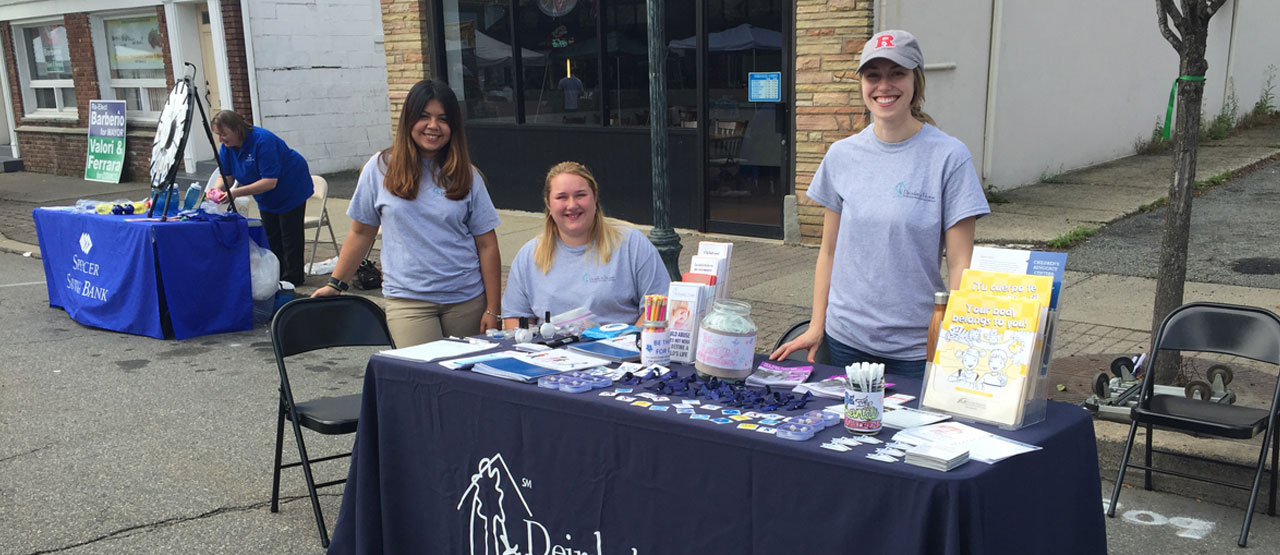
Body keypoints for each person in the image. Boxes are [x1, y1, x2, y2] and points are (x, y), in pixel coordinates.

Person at [770, 30, 990, 379]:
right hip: (845, 340)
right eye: (873, 76)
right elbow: (828, 252)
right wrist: (816, 325)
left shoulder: (949, 157)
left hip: (917, 347)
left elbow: (961, 263)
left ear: (916, 81)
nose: (884, 86)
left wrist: (957, 335)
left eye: (897, 73)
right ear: (862, 84)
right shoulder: (842, 155)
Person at [312, 79, 502, 347]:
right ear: (409, 120)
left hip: (466, 300)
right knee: (421, 372)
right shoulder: (379, 169)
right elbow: (361, 232)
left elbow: (487, 244)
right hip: (409, 301)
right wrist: (336, 284)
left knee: (467, 373)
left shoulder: (467, 175)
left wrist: (493, 309)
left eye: (443, 119)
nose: (433, 126)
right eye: (424, 116)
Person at [502, 161, 670, 328]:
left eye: (580, 195)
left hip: (625, 344)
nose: (572, 205)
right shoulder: (529, 256)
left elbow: (659, 306)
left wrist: (633, 339)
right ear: (548, 203)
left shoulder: (631, 243)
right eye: (561, 197)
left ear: (595, 197)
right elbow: (516, 319)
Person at [210, 110, 313, 286]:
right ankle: (276, 277)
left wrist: (235, 193)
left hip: (290, 186)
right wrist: (216, 189)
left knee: (289, 236)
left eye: (224, 134)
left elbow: (270, 181)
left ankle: (292, 280)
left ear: (237, 129)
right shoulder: (227, 148)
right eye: (218, 135)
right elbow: (226, 176)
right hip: (265, 195)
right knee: (271, 236)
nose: (221, 139)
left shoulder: (263, 141)